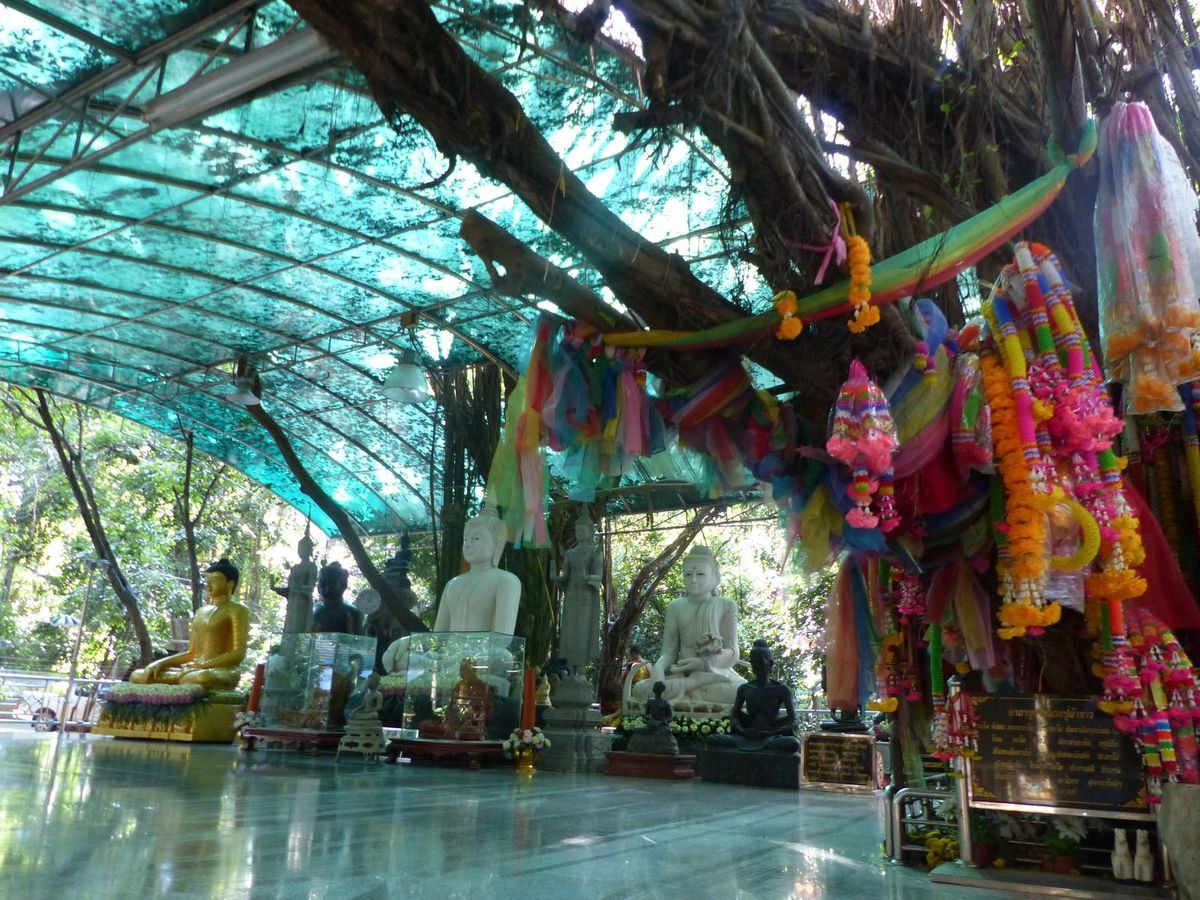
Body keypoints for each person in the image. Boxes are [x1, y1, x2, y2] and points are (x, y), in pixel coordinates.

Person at [628, 545, 744, 712]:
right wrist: (659, 667)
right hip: (682, 675)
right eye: (688, 574)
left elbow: (733, 652)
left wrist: (703, 663)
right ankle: (689, 690)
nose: (693, 580)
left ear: (716, 578)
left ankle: (687, 691)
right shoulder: (675, 607)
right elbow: (669, 653)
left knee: (739, 690)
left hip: (714, 676)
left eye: (701, 574)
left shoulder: (726, 606)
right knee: (640, 689)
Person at [130, 558, 248, 690]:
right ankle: (180, 678)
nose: (209, 585)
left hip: (221, 671)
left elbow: (238, 653)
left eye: (215, 581)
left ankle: (183, 679)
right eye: (207, 581)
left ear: (230, 584)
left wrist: (203, 665)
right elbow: (191, 653)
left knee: (202, 677)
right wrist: (159, 663)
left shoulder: (237, 610)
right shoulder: (201, 612)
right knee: (139, 675)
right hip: (194, 669)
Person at [432, 505, 521, 634]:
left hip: (486, 648)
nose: (468, 544)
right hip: (452, 647)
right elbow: (438, 636)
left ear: (498, 543)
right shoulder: (452, 584)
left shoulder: (506, 581)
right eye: (465, 539)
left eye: (477, 538)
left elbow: (502, 637)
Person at [707, 639, 800, 753]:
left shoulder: (781, 689)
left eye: (760, 662)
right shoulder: (745, 688)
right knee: (712, 739)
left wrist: (770, 733)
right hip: (746, 736)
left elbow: (793, 720)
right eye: (753, 662)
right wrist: (742, 731)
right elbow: (735, 715)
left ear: (770, 663)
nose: (756, 665)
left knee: (793, 743)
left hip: (771, 736)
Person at [554, 513, 603, 674]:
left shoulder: (595, 552)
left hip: (585, 598)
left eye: (582, 529)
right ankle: (570, 669)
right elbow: (565, 577)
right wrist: (556, 577)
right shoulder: (570, 553)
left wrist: (587, 577)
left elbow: (599, 577)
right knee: (569, 632)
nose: (579, 532)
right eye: (577, 530)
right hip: (571, 596)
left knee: (582, 633)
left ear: (590, 531)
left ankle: (581, 670)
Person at [272, 529, 318, 634]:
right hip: (292, 603)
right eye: (299, 547)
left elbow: (310, 588)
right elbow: (289, 589)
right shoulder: (295, 568)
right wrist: (279, 589)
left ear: (309, 549)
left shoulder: (312, 567)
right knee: (289, 630)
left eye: (303, 547)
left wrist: (296, 588)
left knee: (298, 631)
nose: (300, 550)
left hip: (303, 603)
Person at [311, 561, 364, 635]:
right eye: (320, 580)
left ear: (343, 585)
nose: (322, 584)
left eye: (329, 581)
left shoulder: (351, 613)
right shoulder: (314, 609)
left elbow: (357, 640)